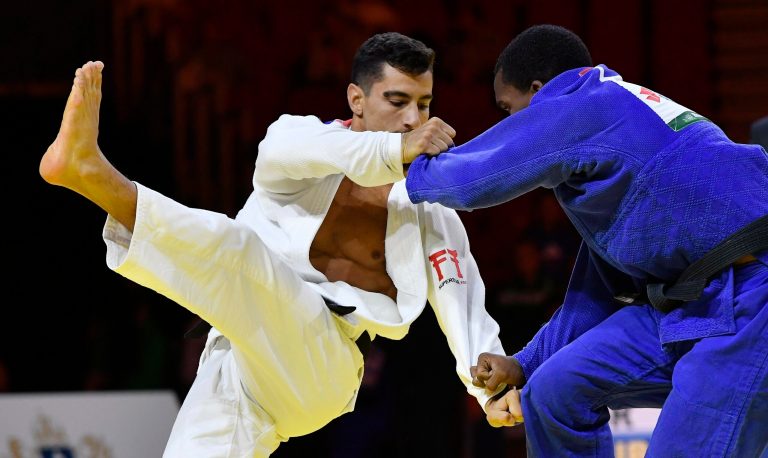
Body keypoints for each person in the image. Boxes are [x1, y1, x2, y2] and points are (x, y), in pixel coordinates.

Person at [39, 32, 505, 457]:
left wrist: (490, 389)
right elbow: (298, 153)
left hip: (324, 365)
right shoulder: (296, 138)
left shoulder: (428, 204)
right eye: (398, 101)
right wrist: (392, 152)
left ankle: (95, 177)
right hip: (237, 356)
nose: (413, 120)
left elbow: (459, 294)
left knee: (240, 249)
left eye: (424, 105)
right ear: (356, 99)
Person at [405, 24, 768, 457]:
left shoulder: (587, 105)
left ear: (540, 91)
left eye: (508, 110)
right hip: (691, 304)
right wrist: (524, 364)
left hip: (752, 303)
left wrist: (398, 161)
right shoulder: (616, 129)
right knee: (555, 393)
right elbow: (594, 293)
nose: (508, 127)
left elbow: (470, 181)